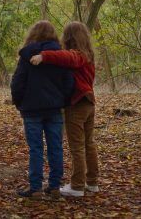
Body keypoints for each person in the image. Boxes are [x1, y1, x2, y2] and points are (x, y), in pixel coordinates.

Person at [30, 21, 99, 197]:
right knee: (88, 144)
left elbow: (68, 57)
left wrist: (44, 56)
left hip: (78, 104)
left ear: (69, 37)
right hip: (89, 103)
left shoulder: (78, 55)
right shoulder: (88, 54)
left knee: (78, 146)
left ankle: (76, 186)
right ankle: (92, 183)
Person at [11, 21, 75, 200]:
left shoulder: (27, 55)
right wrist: (63, 101)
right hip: (54, 109)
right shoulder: (61, 56)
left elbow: (17, 82)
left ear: (33, 34)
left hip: (31, 110)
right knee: (55, 147)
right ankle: (54, 187)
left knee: (36, 149)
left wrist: (19, 103)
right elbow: (69, 83)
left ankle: (36, 188)